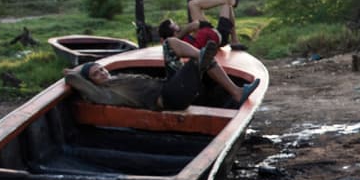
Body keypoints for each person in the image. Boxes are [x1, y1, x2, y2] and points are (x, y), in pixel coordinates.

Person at [65, 39, 259, 110]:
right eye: (96, 74)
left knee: (171, 44)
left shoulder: (116, 78)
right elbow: (72, 78)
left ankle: (201, 55)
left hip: (169, 84)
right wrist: (75, 71)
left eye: (101, 68)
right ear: (91, 82)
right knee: (200, 62)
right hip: (169, 98)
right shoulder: (104, 93)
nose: (102, 72)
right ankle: (235, 92)